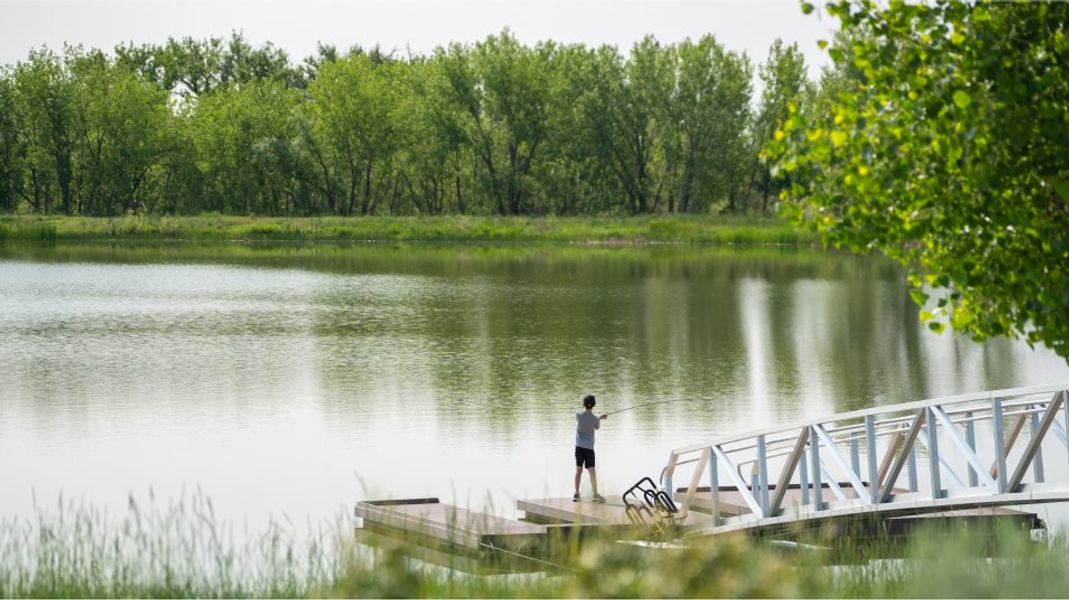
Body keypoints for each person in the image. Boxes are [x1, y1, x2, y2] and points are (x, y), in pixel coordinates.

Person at [574, 394, 608, 503]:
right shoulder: (594, 419)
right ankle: (595, 494)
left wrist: (597, 417)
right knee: (592, 471)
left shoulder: (578, 415)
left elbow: (585, 417)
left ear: (583, 404)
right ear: (594, 405)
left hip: (579, 448)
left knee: (578, 470)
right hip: (589, 449)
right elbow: (597, 427)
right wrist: (600, 418)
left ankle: (576, 494)